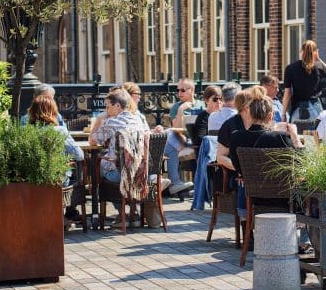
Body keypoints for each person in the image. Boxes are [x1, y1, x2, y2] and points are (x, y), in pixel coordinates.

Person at [89, 88, 150, 227]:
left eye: (108, 107)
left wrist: (99, 121)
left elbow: (92, 141)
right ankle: (132, 214)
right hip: (141, 171)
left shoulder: (111, 122)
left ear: (117, 106)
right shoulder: (138, 120)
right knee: (116, 164)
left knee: (97, 167)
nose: (107, 110)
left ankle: (121, 215)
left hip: (120, 175)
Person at [28, 94, 85, 221]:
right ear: (53, 112)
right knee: (76, 172)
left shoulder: (27, 131)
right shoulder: (60, 131)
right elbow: (79, 155)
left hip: (34, 179)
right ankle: (67, 214)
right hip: (57, 179)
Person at [225, 95, 301, 176]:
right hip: (282, 187)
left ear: (250, 115)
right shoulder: (282, 137)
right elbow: (300, 165)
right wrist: (295, 136)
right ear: (270, 116)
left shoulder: (235, 137)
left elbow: (238, 168)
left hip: (251, 187)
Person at [162, 78, 199, 198]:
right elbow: (176, 129)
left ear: (192, 90)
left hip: (197, 141)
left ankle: (174, 183)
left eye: (183, 90)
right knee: (169, 133)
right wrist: (181, 109)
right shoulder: (176, 107)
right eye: (178, 90)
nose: (179, 93)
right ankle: (175, 183)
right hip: (182, 141)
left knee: (168, 140)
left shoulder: (202, 105)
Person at [282, 40, 326, 121]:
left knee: (297, 133)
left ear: (301, 51)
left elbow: (287, 93)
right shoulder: (318, 67)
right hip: (315, 106)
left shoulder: (290, 68)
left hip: (297, 107)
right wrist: (318, 59)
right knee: (318, 132)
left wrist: (283, 114)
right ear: (315, 53)